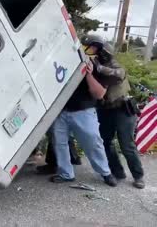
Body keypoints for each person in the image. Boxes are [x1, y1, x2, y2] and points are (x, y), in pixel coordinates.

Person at [50, 37, 117, 186]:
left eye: (90, 47)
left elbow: (99, 94)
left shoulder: (97, 66)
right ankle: (66, 173)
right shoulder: (63, 61)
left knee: (93, 142)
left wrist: (88, 74)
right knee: (59, 143)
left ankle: (105, 172)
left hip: (83, 111)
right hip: (60, 111)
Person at [82, 35, 145, 189]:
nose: (91, 51)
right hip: (105, 109)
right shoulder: (94, 65)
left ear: (102, 49)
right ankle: (117, 171)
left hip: (123, 108)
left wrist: (98, 68)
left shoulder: (111, 64)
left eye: (94, 47)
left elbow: (119, 74)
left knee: (126, 144)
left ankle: (138, 176)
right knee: (105, 142)